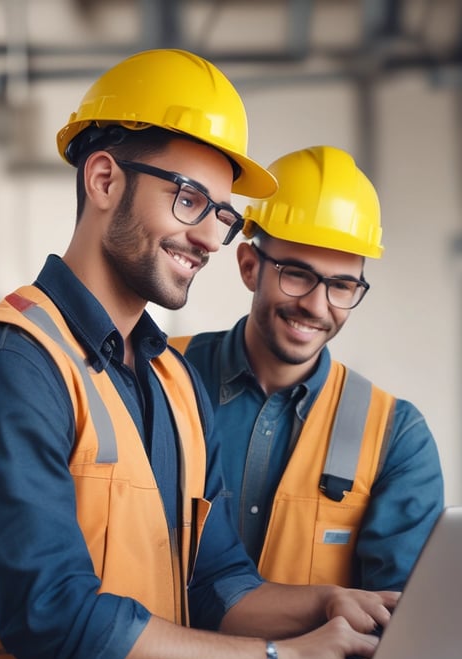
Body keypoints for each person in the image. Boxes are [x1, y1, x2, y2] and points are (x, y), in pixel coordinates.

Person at [0, 50, 397, 659]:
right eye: (189, 200)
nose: (208, 239)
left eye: (221, 215)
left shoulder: (172, 380)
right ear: (103, 178)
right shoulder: (10, 364)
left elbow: (216, 582)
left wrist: (327, 608)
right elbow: (55, 617)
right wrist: (280, 658)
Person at [172, 145, 444, 592]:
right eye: (296, 275)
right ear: (248, 266)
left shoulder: (395, 437)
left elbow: (400, 621)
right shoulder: (157, 374)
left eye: (341, 286)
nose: (316, 307)